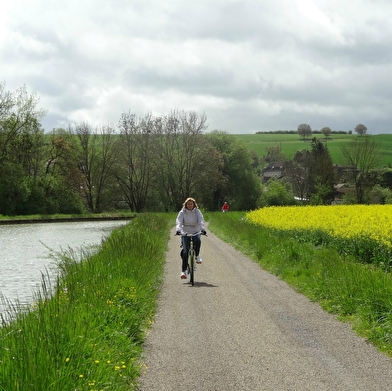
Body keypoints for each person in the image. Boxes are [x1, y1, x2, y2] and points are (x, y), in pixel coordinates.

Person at [176, 197, 206, 279]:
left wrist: (202, 229)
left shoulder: (197, 212)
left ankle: (197, 255)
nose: (189, 205)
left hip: (196, 231)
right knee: (185, 251)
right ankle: (184, 271)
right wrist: (178, 230)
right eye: (188, 204)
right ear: (186, 204)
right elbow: (179, 221)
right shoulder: (182, 212)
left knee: (198, 240)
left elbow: (201, 220)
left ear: (194, 205)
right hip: (185, 232)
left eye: (191, 204)